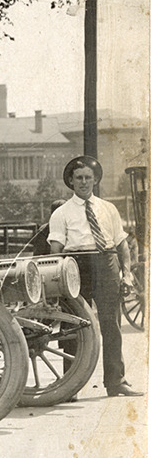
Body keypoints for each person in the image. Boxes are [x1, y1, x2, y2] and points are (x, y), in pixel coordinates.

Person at [48, 155, 141, 397]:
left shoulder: (108, 209)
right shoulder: (61, 213)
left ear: (95, 180)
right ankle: (70, 387)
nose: (83, 182)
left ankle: (116, 381)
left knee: (111, 325)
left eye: (88, 178)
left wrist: (127, 274)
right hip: (75, 266)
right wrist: (59, 283)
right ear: (71, 181)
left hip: (106, 263)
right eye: (79, 178)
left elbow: (121, 244)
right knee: (72, 326)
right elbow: (56, 251)